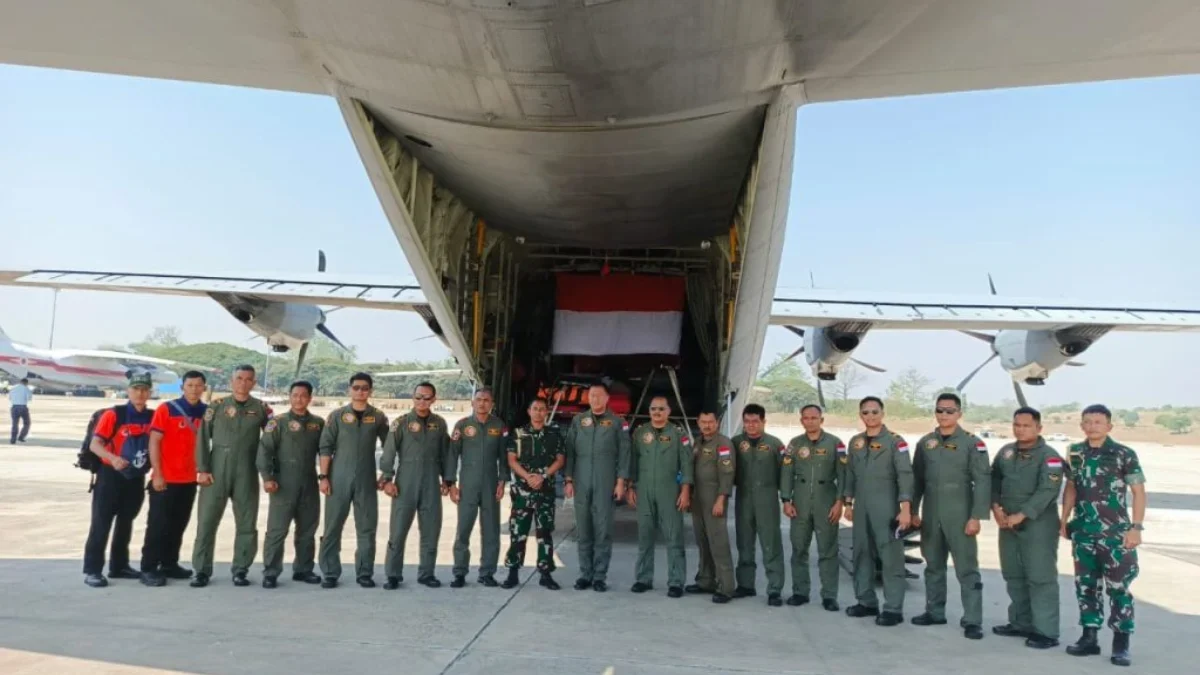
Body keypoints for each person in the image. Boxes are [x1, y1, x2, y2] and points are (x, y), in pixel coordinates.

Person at [1062, 404, 1145, 667]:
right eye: (1087, 421)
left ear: (1109, 426)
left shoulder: (1123, 454)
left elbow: (1138, 492)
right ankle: (1089, 638)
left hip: (1116, 535)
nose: (1092, 426)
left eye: (1098, 422)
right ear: (1082, 425)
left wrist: (1136, 527)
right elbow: (1072, 487)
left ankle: (1121, 644)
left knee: (1119, 589)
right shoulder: (1075, 452)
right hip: (1084, 532)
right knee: (1086, 586)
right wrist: (1064, 520)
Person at [910, 393, 991, 638]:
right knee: (933, 565)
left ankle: (972, 620)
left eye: (950, 410)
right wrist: (913, 510)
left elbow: (983, 481)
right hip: (932, 514)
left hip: (960, 514)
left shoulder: (972, 443)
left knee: (967, 569)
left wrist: (977, 516)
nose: (944, 415)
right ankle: (934, 612)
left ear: (959, 414)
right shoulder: (926, 443)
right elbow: (917, 480)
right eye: (940, 410)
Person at [991, 406, 1066, 650]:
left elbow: (1048, 490)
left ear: (1038, 428)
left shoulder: (1050, 456)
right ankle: (1020, 623)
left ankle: (1046, 631)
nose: (1020, 430)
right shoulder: (1006, 452)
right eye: (1017, 425)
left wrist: (1022, 514)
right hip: (1007, 523)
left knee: (1040, 577)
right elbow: (993, 480)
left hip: (1038, 525)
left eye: (1026, 426)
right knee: (1013, 573)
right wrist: (995, 507)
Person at [191, 364, 272, 588]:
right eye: (239, 378)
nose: (243, 383)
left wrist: (268, 471)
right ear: (231, 381)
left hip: (246, 469)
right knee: (206, 522)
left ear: (254, 383)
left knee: (247, 522)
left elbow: (271, 439)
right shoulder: (216, 407)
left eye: (248, 379)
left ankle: (241, 569)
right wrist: (203, 469)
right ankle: (201, 570)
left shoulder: (262, 409)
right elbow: (202, 438)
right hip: (216, 469)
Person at [843, 396, 913, 626]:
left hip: (887, 506)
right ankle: (866, 602)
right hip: (862, 507)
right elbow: (850, 474)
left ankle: (893, 608)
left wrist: (905, 509)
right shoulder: (856, 443)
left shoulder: (895, 442)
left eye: (874, 412)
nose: (870, 416)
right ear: (860, 415)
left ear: (882, 414)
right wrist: (848, 504)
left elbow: (905, 475)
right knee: (861, 554)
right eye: (865, 412)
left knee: (890, 557)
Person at [81, 373, 154, 587]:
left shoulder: (152, 416)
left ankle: (119, 565)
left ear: (149, 392)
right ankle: (92, 570)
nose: (140, 393)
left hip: (135, 477)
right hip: (110, 476)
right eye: (136, 389)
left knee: (126, 522)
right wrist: (113, 459)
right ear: (128, 391)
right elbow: (96, 444)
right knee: (101, 523)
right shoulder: (114, 415)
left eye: (144, 389)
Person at [318, 373, 389, 588]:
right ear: (350, 389)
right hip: (338, 476)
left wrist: (385, 474)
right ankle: (330, 572)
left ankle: (364, 572)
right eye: (356, 387)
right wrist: (323, 476)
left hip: (366, 478)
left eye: (365, 388)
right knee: (332, 526)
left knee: (367, 527)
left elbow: (389, 447)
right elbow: (325, 448)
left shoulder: (378, 417)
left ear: (370, 391)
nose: (360, 391)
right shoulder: (337, 416)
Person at [139, 370, 207, 586]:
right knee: (158, 526)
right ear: (182, 388)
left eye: (198, 385)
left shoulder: (207, 412)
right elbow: (154, 441)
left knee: (178, 524)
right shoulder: (166, 409)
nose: (194, 389)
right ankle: (149, 568)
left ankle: (169, 563)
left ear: (204, 388)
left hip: (188, 479)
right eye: (190, 385)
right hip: (166, 479)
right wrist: (157, 473)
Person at [380, 381, 450, 589]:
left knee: (430, 530)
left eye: (426, 398)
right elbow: (389, 452)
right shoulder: (400, 423)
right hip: (406, 481)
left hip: (430, 481)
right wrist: (387, 479)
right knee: (398, 530)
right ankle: (393, 574)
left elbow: (445, 454)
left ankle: (427, 573)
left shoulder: (440, 423)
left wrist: (447, 480)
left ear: (434, 400)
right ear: (413, 398)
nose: (422, 401)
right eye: (418, 397)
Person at [564, 381, 631, 593]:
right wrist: (568, 479)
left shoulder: (617, 423)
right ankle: (585, 574)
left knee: (603, 530)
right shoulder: (578, 421)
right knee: (583, 530)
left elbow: (624, 453)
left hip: (605, 481)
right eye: (592, 396)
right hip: (581, 481)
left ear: (607, 398)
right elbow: (570, 452)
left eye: (599, 396)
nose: (595, 400)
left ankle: (600, 576)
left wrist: (621, 482)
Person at [257, 380, 324, 588]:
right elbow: (264, 451)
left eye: (304, 395)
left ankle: (304, 569)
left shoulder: (318, 424)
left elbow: (326, 451)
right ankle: (271, 571)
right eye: (295, 395)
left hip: (308, 482)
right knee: (277, 530)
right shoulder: (278, 422)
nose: (299, 399)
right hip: (283, 483)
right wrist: (268, 478)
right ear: (290, 396)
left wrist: (326, 477)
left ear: (310, 398)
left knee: (307, 529)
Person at [780, 404, 846, 611]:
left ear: (821, 420)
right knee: (799, 548)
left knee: (828, 550)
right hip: (799, 502)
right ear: (801, 421)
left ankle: (829, 596)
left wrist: (839, 502)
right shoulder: (794, 444)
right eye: (806, 418)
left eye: (814, 418)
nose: (810, 421)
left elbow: (843, 475)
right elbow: (787, 473)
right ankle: (800, 592)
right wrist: (786, 500)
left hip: (826, 501)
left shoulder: (835, 443)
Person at [628, 396, 693, 597]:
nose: (657, 412)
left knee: (674, 537)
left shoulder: (678, 434)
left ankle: (676, 582)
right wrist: (631, 486)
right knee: (645, 536)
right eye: (654, 409)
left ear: (668, 411)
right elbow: (633, 462)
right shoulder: (640, 433)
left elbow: (686, 464)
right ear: (649, 411)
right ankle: (643, 578)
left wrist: (685, 491)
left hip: (670, 492)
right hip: (644, 490)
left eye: (661, 409)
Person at [501, 397, 566, 590]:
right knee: (518, 533)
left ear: (546, 412)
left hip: (545, 491)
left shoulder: (554, 434)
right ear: (529, 411)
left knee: (544, 532)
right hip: (522, 492)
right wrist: (529, 477)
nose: (538, 412)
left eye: (542, 409)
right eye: (535, 409)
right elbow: (512, 460)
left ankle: (545, 573)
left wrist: (543, 476)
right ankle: (513, 572)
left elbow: (560, 459)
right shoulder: (519, 434)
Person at [447, 387, 508, 588]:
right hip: (468, 485)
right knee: (463, 530)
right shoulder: (462, 426)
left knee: (491, 531)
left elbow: (503, 457)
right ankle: (459, 573)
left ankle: (487, 573)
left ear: (492, 404)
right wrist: (451, 484)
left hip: (491, 486)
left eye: (487, 400)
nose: (482, 403)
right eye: (479, 399)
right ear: (472, 402)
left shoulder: (499, 426)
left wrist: (502, 481)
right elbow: (452, 455)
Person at [732, 403, 786, 607]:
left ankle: (774, 589)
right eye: (747, 422)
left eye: (756, 421)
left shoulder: (775, 444)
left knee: (771, 544)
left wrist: (787, 498)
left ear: (763, 422)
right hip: (743, 499)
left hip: (767, 499)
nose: (751, 425)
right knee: (744, 543)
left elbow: (786, 473)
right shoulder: (736, 443)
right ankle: (746, 585)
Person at [686, 409, 736, 604]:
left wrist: (721, 499)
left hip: (714, 498)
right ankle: (706, 580)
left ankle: (726, 586)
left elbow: (727, 474)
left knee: (718, 543)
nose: (707, 425)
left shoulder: (723, 444)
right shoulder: (699, 442)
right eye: (703, 422)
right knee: (703, 541)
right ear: (698, 423)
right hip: (698, 499)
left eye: (711, 422)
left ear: (717, 423)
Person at [8, 377, 31, 444]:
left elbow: (10, 398)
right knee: (27, 423)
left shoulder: (13, 389)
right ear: (26, 383)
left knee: (15, 423)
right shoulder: (26, 389)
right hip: (23, 407)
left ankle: (13, 439)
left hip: (14, 407)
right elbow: (29, 398)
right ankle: (21, 437)